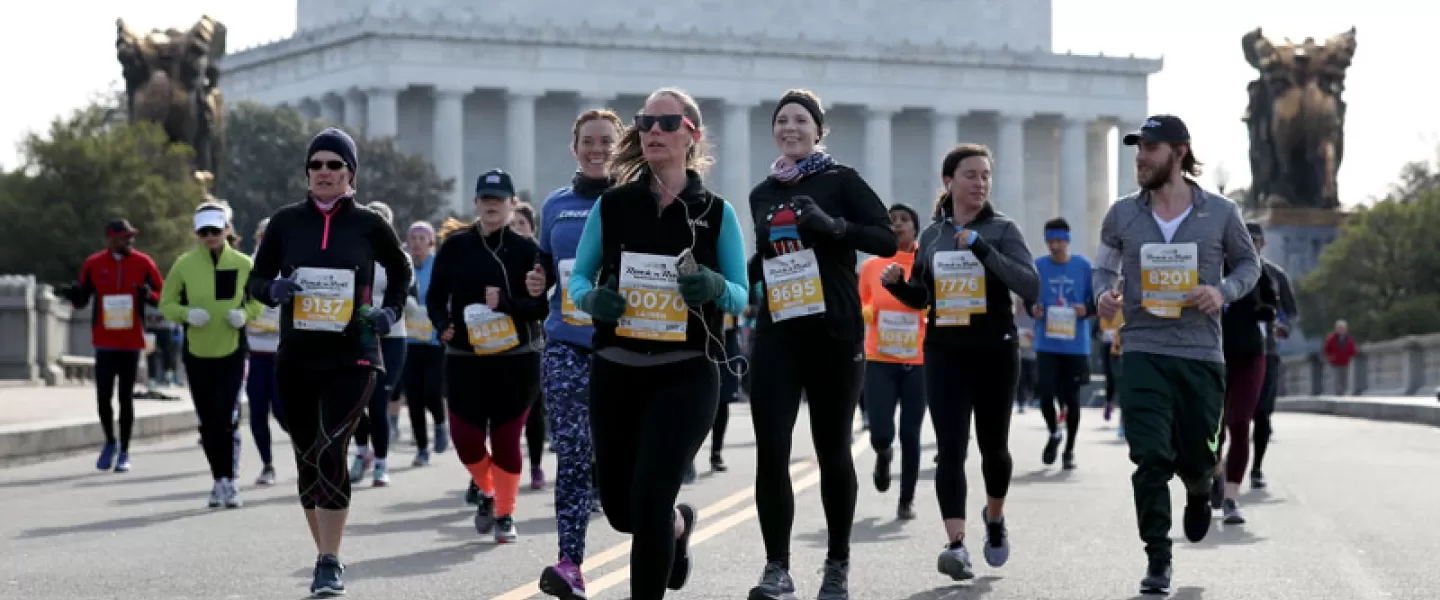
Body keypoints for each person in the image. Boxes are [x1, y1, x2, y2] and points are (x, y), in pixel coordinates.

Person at [567, 87, 749, 600]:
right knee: (624, 510)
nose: (652, 132)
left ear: (692, 135)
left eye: (666, 123)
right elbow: (578, 281)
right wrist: (593, 300)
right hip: (616, 368)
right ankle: (677, 527)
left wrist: (715, 287)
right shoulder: (614, 205)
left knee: (648, 499)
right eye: (645, 122)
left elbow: (741, 293)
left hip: (686, 371)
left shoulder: (717, 213)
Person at [1093, 115, 1260, 595]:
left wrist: (1223, 291)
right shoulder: (1122, 214)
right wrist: (1104, 295)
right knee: (1148, 456)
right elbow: (1103, 270)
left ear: (1179, 152)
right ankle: (1158, 559)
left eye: (1150, 148)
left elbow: (1248, 264)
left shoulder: (1222, 212)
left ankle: (1198, 487)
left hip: (1202, 353)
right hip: (1143, 346)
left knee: (1197, 456)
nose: (1140, 157)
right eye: (1137, 148)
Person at [246, 127, 412, 597]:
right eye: (315, 165)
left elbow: (400, 270)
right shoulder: (284, 224)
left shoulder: (368, 225)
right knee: (305, 460)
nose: (323, 172)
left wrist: (389, 312)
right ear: (306, 172)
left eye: (333, 165)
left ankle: (329, 560)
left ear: (350, 173)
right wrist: (271, 290)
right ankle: (324, 548)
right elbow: (256, 280)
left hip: (353, 354)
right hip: (297, 358)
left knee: (330, 448)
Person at [747, 89, 897, 600]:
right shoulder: (762, 192)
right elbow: (766, 258)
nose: (790, 128)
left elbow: (885, 237)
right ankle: (777, 568)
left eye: (801, 121)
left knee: (833, 451)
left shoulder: (842, 181)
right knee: (772, 452)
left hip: (834, 332)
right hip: (778, 332)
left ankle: (836, 564)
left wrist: (835, 226)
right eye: (782, 121)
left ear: (818, 131)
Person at [882, 143, 1039, 582]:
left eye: (986, 175)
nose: (981, 183)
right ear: (949, 182)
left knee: (994, 449)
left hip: (994, 350)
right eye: (971, 175)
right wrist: (899, 285)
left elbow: (1031, 285)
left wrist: (984, 250)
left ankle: (994, 517)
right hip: (945, 350)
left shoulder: (1004, 229)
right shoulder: (931, 235)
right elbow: (922, 296)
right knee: (950, 448)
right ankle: (955, 544)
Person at [525, 107, 622, 600]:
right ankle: (570, 562)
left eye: (607, 140)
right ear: (575, 146)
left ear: (620, 144)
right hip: (566, 343)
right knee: (573, 454)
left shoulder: (636, 202)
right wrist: (537, 281)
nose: (597, 148)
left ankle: (669, 526)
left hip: (625, 347)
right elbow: (544, 266)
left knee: (627, 464)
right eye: (588, 140)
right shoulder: (555, 205)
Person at [429, 168, 549, 544]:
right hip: (465, 355)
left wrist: (509, 304)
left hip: (517, 358)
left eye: (499, 200)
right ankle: (488, 487)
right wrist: (441, 322)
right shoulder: (456, 246)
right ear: (476, 203)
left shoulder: (529, 251)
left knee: (507, 439)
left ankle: (505, 514)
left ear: (513, 205)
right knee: (465, 440)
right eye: (485, 199)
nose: (492, 206)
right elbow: (435, 296)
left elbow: (541, 308)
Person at [160, 202, 263, 508]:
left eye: (215, 231)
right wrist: (186, 314)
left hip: (232, 351)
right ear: (196, 233)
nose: (210, 236)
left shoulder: (244, 264)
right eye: (204, 231)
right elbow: (166, 303)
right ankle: (218, 479)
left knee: (226, 417)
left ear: (226, 230)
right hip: (197, 352)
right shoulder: (184, 265)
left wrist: (245, 315)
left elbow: (258, 299)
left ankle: (230, 480)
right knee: (207, 422)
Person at [60, 219, 165, 473]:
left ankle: (125, 452)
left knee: (126, 397)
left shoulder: (144, 263)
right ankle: (110, 442)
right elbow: (82, 300)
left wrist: (148, 296)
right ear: (110, 240)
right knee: (103, 397)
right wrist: (73, 295)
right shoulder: (94, 264)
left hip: (131, 342)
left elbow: (164, 294)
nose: (130, 241)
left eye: (131, 237)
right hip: (104, 341)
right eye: (124, 237)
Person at [857, 202, 928, 521]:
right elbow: (860, 301)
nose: (898, 225)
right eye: (892, 221)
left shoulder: (925, 264)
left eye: (905, 220)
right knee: (881, 431)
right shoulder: (872, 266)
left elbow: (935, 299)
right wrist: (866, 311)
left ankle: (906, 499)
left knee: (911, 434)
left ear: (915, 228)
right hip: (880, 359)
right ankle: (883, 455)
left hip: (918, 359)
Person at [1211, 221, 1279, 524]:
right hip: (1212, 358)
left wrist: (1266, 311)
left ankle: (1231, 498)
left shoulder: (1258, 271)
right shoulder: (1209, 268)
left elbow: (1272, 303)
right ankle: (1216, 473)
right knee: (1213, 430)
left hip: (1251, 356)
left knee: (1241, 425)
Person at [348, 201, 412, 488]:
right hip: (358, 336)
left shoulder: (399, 259)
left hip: (392, 338)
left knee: (378, 401)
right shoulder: (352, 253)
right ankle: (361, 452)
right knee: (355, 399)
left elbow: (400, 293)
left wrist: (386, 312)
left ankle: (381, 462)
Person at [1029, 217, 1095, 470]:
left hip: (1075, 345)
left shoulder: (1083, 267)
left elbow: (1096, 301)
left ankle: (1069, 449)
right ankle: (1054, 432)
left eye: (1058, 241)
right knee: (1045, 392)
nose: (1054, 246)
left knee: (1072, 398)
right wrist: (1032, 308)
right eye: (1050, 241)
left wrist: (1085, 309)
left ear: (1067, 241)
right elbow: (1028, 296)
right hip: (1047, 343)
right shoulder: (1039, 266)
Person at [1250, 226, 1298, 489]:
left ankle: (1256, 467)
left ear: (1263, 244)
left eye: (1254, 241)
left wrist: (1284, 328)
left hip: (1266, 351)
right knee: (1223, 416)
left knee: (1262, 413)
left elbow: (1290, 312)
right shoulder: (1223, 272)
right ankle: (1217, 469)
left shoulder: (1275, 275)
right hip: (1228, 352)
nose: (1250, 245)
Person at [510, 201, 550, 490]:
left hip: (536, 340)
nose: (516, 230)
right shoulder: (499, 255)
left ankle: (535, 465)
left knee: (534, 410)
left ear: (532, 228)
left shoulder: (540, 258)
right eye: (512, 225)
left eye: (521, 224)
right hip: (500, 342)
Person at [402, 220, 448, 466]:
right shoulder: (404, 266)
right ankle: (421, 448)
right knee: (414, 398)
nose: (417, 243)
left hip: (435, 341)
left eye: (422, 239)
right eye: (413, 239)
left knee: (432, 392)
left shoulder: (439, 265)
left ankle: (440, 423)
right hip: (409, 340)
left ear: (431, 242)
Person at [245, 217, 287, 486]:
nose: (266, 242)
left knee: (284, 413)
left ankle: (307, 452)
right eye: (262, 236)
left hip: (283, 356)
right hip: (255, 354)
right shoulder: (246, 266)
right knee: (258, 413)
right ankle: (267, 465)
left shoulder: (290, 266)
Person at [1323, 320, 1357, 395]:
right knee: (1336, 378)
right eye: (1339, 328)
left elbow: (1353, 349)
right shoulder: (1331, 338)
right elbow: (1326, 349)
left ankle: (1343, 392)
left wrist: (1351, 356)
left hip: (1345, 362)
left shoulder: (1349, 338)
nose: (1341, 330)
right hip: (1335, 363)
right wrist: (1331, 357)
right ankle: (1338, 393)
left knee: (1344, 378)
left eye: (1343, 328)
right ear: (1336, 329)